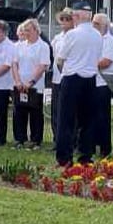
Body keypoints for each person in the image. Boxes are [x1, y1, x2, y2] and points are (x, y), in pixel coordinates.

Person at [54, 1, 102, 166]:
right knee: (87, 120)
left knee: (66, 120)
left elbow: (60, 59)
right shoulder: (97, 35)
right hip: (90, 78)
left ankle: (64, 157)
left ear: (77, 16)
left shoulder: (72, 35)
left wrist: (63, 72)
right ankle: (85, 155)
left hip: (72, 77)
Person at [11, 18, 51, 150]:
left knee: (35, 113)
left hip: (35, 86)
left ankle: (35, 140)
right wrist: (17, 81)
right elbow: (14, 64)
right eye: (24, 30)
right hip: (19, 84)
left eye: (28, 30)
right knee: (19, 112)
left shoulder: (43, 46)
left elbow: (42, 66)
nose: (26, 33)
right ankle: (20, 139)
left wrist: (31, 82)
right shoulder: (19, 46)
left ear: (36, 30)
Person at [92, 13, 113, 158]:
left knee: (102, 118)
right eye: (93, 23)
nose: (94, 26)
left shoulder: (111, 41)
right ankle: (89, 145)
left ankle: (104, 148)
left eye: (97, 24)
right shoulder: (92, 38)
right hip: (91, 81)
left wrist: (88, 63)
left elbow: (105, 62)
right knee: (90, 117)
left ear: (105, 25)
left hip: (103, 83)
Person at [49, 8, 74, 143]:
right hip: (57, 77)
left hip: (69, 76)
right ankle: (56, 138)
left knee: (68, 110)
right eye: (62, 19)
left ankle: (70, 139)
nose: (64, 22)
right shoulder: (57, 38)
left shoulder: (74, 36)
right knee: (55, 109)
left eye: (67, 19)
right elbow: (54, 55)